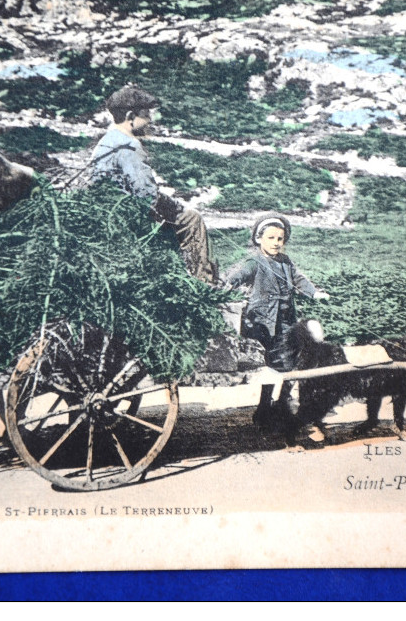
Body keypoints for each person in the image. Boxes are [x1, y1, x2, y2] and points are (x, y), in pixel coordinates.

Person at [89, 85, 217, 283]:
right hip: (132, 216)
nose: (150, 120)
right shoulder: (130, 146)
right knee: (193, 219)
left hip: (110, 211)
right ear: (131, 117)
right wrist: (174, 206)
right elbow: (146, 195)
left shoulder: (104, 142)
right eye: (146, 114)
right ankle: (204, 283)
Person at [223, 213, 330, 428]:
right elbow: (239, 275)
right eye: (271, 238)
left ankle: (271, 408)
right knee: (278, 364)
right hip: (263, 324)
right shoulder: (255, 262)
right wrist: (225, 286)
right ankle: (269, 409)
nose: (276, 243)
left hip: (286, 322)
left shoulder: (285, 261)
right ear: (258, 239)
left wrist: (314, 293)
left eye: (280, 239)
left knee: (288, 364)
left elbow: (299, 279)